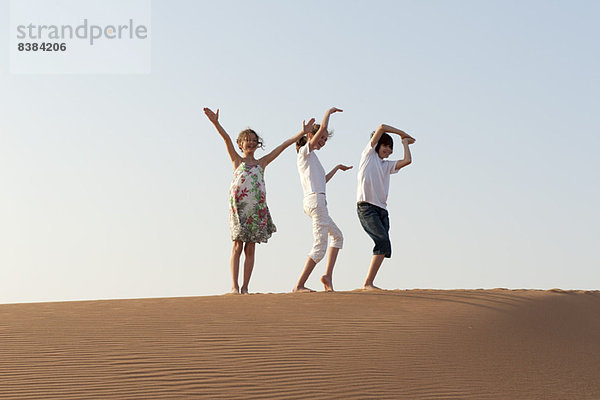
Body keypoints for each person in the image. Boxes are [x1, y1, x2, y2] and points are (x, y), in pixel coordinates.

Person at [204, 107, 315, 294]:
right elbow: (226, 139)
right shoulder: (236, 161)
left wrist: (302, 133)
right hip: (239, 208)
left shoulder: (261, 163)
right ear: (240, 144)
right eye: (247, 141)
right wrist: (216, 123)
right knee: (237, 245)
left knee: (251, 248)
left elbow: (283, 145)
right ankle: (234, 286)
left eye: (254, 141)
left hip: (256, 209)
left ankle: (246, 287)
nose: (251, 143)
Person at [294, 107, 352, 292]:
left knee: (338, 236)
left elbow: (323, 181)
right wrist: (328, 112)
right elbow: (324, 126)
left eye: (325, 139)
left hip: (317, 201)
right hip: (315, 201)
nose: (323, 141)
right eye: (321, 137)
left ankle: (327, 276)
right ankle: (299, 285)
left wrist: (336, 168)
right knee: (319, 246)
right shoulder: (305, 152)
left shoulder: (313, 160)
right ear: (310, 135)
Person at [356, 124, 415, 290]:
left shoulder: (386, 165)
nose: (388, 150)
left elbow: (407, 161)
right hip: (366, 207)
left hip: (382, 210)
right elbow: (381, 126)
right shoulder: (368, 155)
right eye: (385, 146)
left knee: (384, 246)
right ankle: (367, 284)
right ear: (377, 146)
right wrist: (402, 132)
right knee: (382, 241)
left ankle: (369, 282)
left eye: (390, 148)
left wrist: (404, 142)